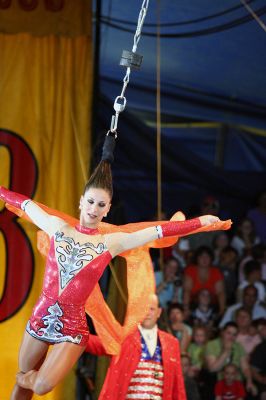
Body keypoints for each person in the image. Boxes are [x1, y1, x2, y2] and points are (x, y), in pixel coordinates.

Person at [0, 142, 227, 399]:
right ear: (81, 201)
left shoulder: (111, 242)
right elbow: (25, 204)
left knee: (40, 386)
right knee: (22, 384)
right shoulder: (57, 228)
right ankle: (23, 379)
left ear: (108, 209)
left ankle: (26, 377)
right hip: (41, 315)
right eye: (91, 202)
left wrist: (199, 223)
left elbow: (157, 231)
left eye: (101, 205)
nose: (94, 209)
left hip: (72, 328)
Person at [86, 294, 187, 400]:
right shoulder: (125, 339)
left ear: (159, 312)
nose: (147, 313)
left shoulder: (171, 343)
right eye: (143, 309)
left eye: (151, 309)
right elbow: (98, 343)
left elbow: (178, 385)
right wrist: (73, 335)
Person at [204, 322, 256, 399]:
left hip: (237, 383)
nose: (231, 337)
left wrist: (249, 381)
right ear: (222, 332)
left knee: (252, 392)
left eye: (234, 334)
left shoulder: (238, 346)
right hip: (220, 383)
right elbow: (213, 368)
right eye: (229, 333)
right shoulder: (211, 345)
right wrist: (226, 351)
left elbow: (245, 367)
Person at [183, 245, 226, 318]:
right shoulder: (190, 270)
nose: (204, 259)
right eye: (201, 257)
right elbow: (187, 291)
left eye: (207, 257)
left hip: (211, 306)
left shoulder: (216, 272)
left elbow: (220, 293)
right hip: (193, 305)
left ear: (211, 259)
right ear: (197, 259)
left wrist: (222, 311)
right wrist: (186, 309)